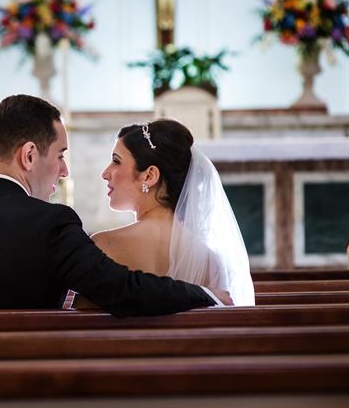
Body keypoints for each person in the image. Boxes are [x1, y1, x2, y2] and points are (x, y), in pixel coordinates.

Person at [0, 95, 232, 315]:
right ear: (29, 155)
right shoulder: (52, 225)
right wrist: (206, 295)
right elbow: (122, 290)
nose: (64, 170)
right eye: (60, 155)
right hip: (32, 402)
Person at [93, 120, 254, 306]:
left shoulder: (103, 246)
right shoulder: (209, 260)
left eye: (116, 161)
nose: (105, 173)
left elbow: (81, 324)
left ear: (149, 176)